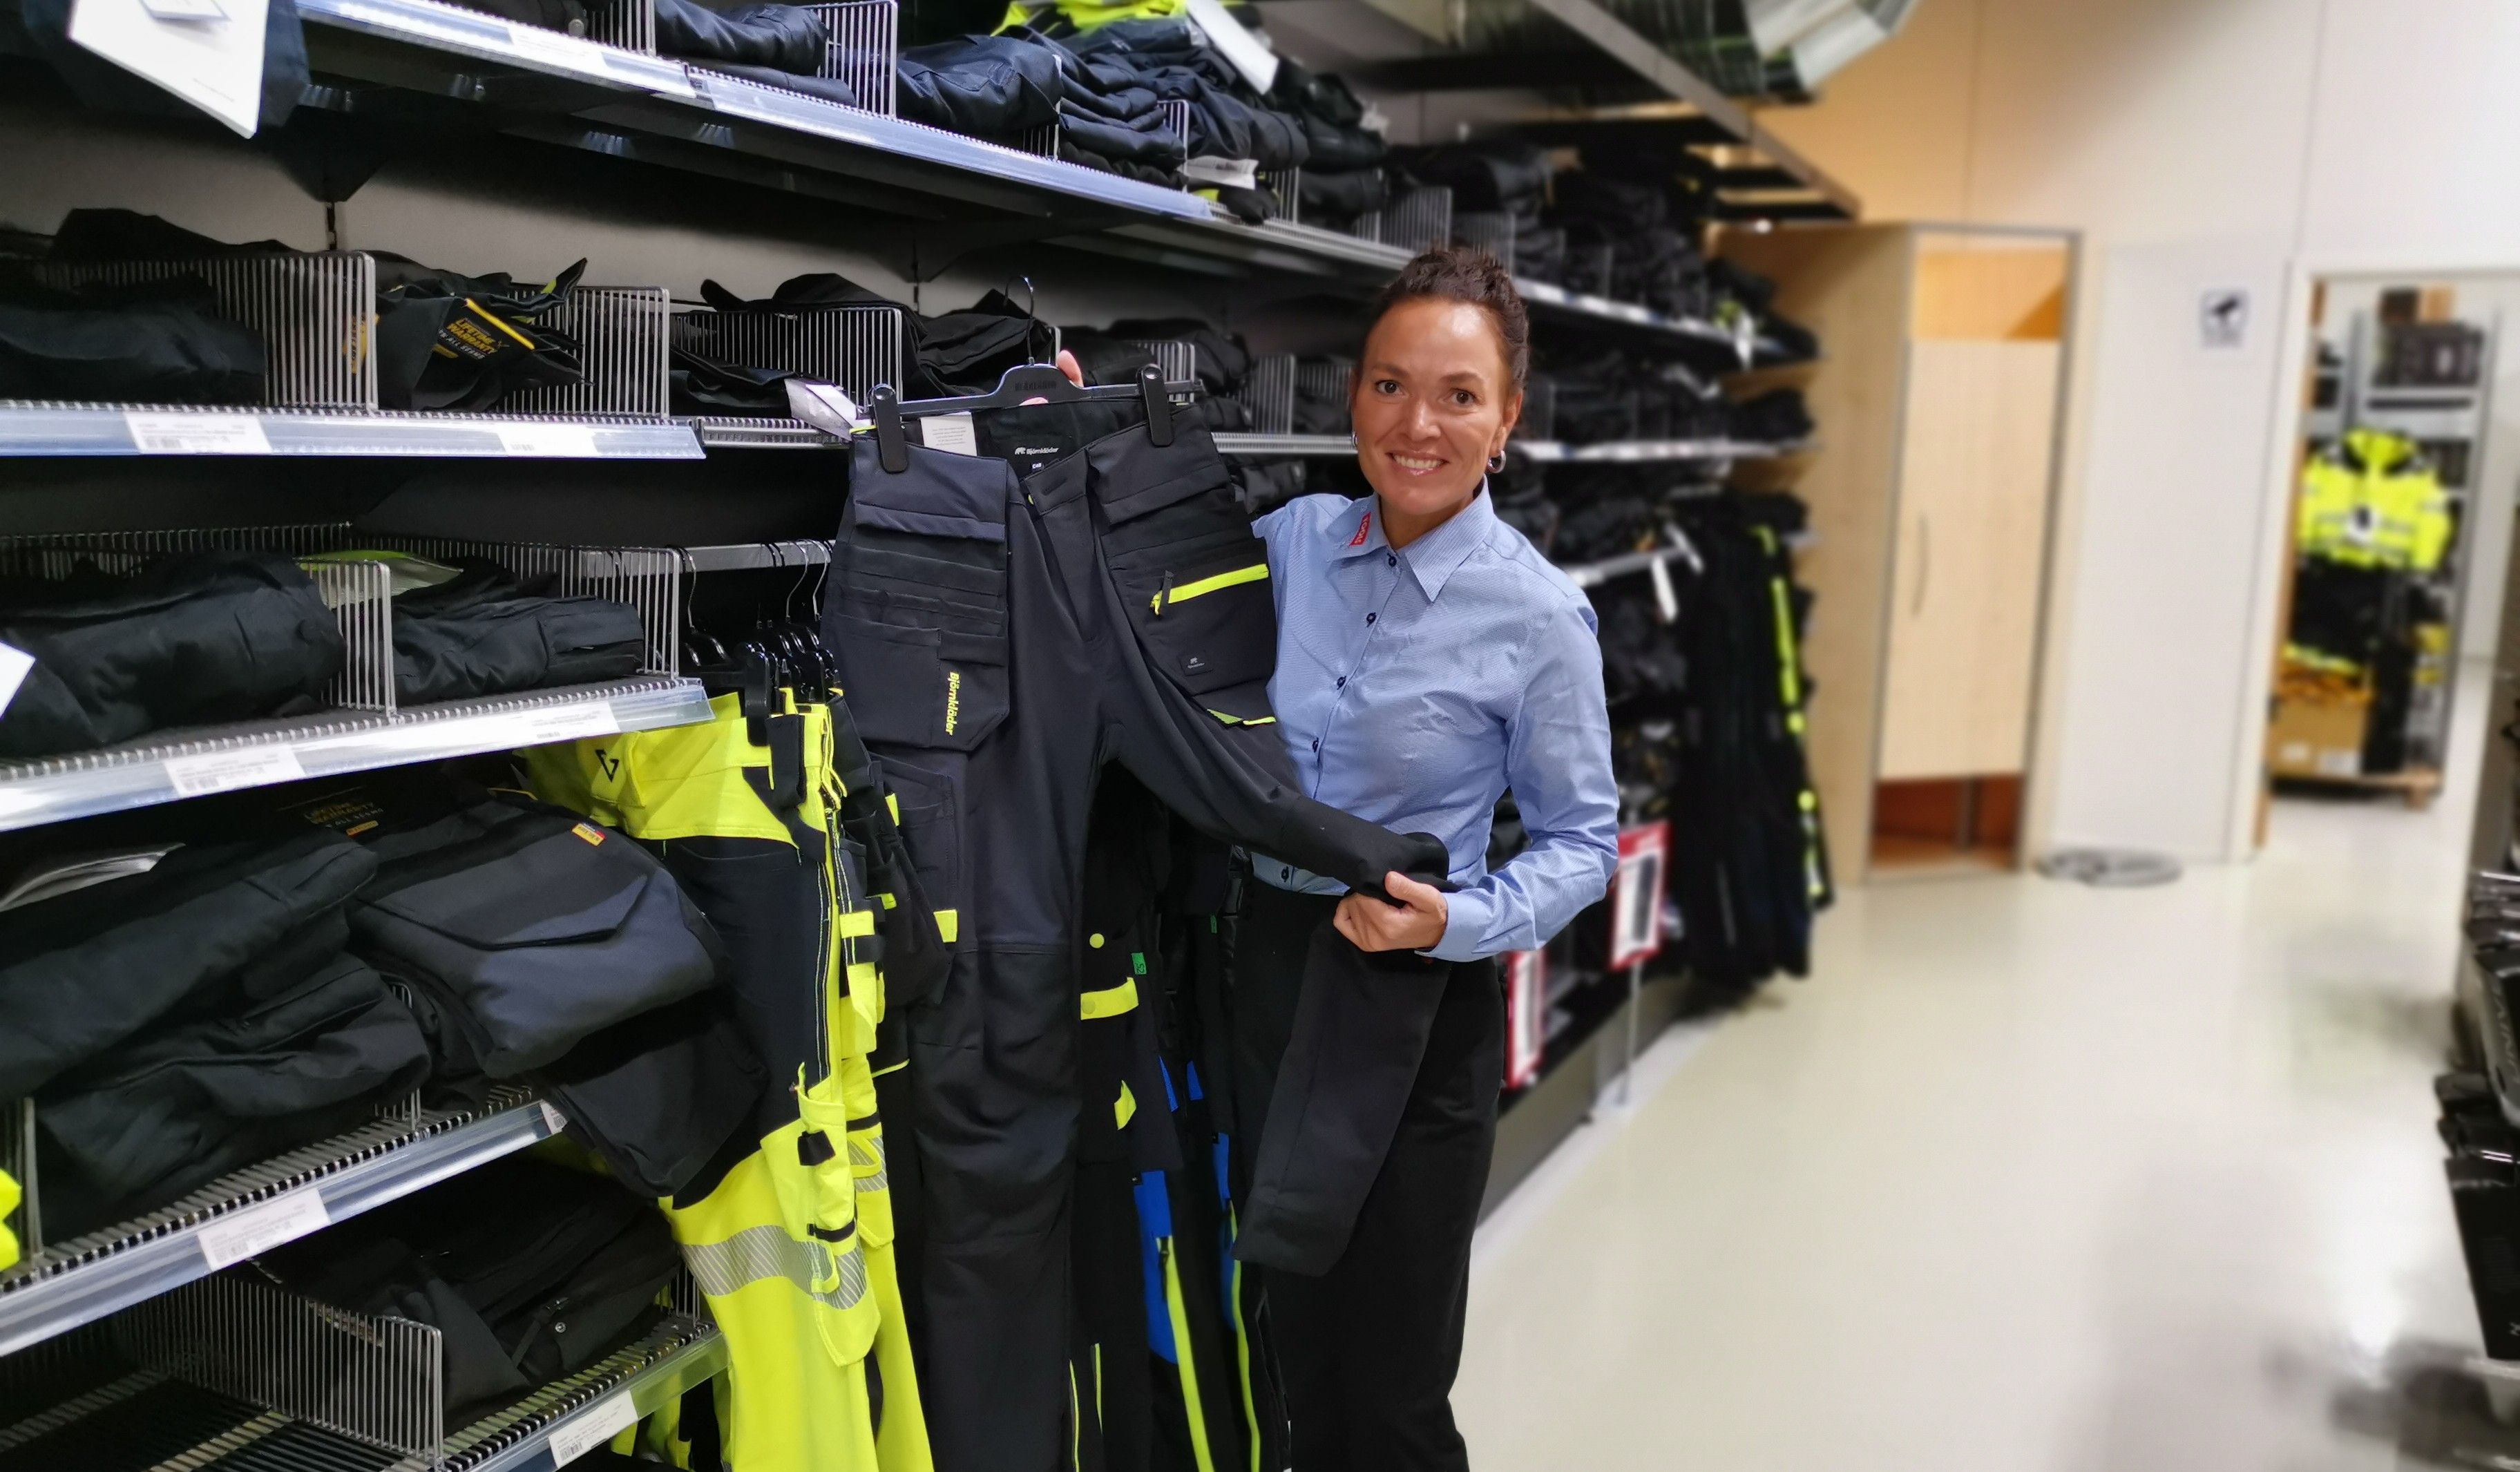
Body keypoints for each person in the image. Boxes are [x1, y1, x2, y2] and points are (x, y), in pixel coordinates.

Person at [1237, 246, 1621, 1468]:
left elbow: (1584, 843)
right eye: (1390, 385)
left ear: (1506, 420)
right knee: (1281, 1350)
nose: (1417, 424)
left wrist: (1449, 922)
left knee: (1392, 1383)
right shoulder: (1290, 540)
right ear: (1351, 396)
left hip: (1410, 996)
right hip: (1263, 979)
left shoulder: (1539, 614)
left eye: (1458, 395)